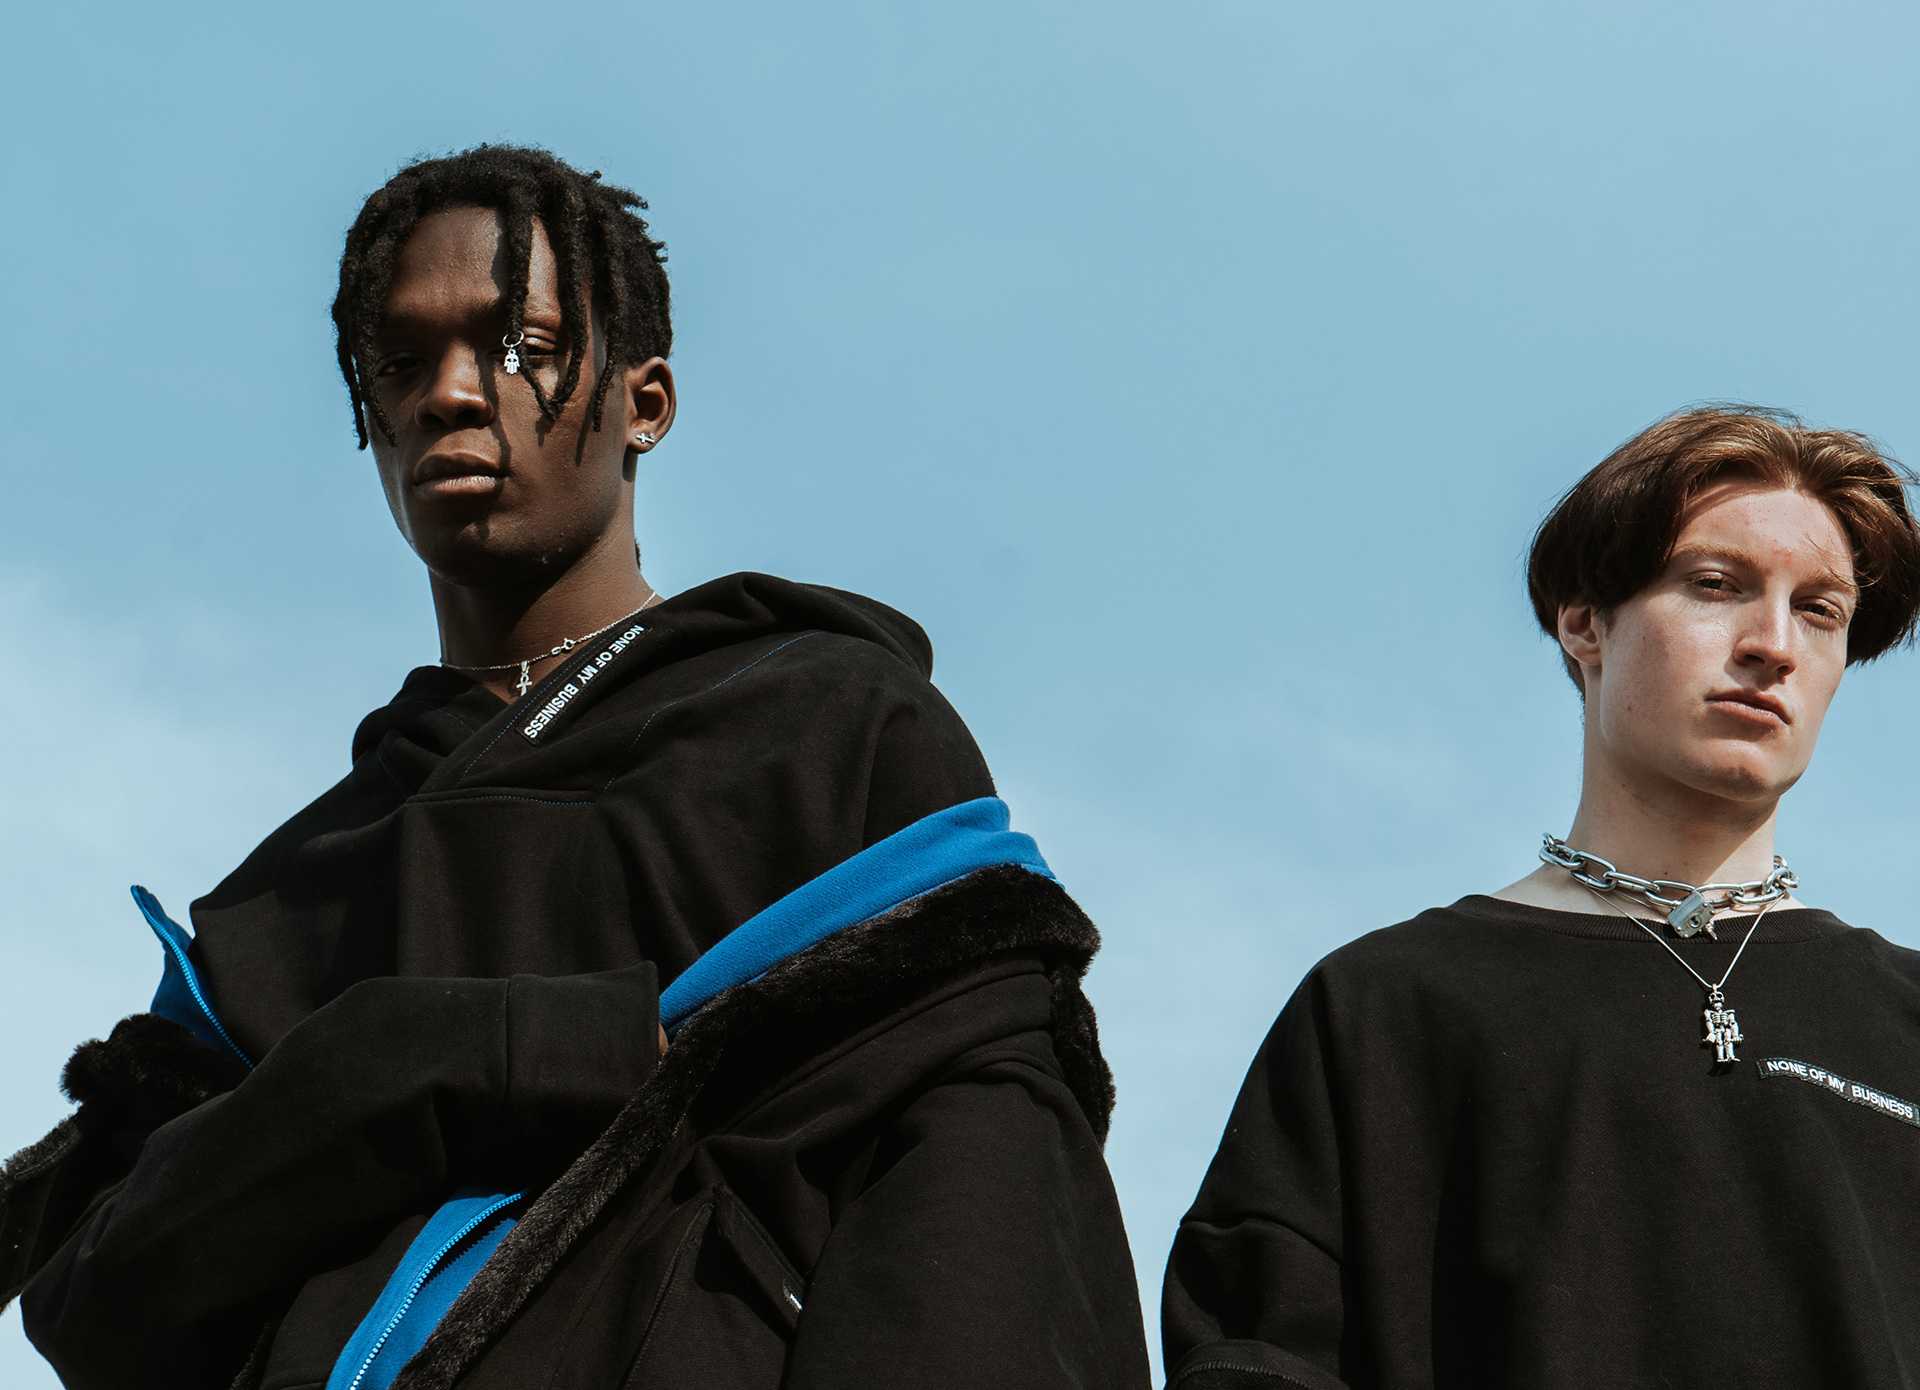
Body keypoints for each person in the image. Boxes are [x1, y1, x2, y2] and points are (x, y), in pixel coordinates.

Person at [1, 144, 1149, 1390]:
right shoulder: (288, 897)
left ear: (644, 402)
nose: (451, 393)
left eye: (521, 346)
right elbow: (98, 1298)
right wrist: (437, 1054)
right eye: (400, 361)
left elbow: (984, 1209)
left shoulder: (825, 734)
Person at [1162, 406, 1920, 1389]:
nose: (1774, 644)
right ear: (1585, 620)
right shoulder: (1387, 1006)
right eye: (1715, 585)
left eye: (1819, 611)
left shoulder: (1906, 1018)